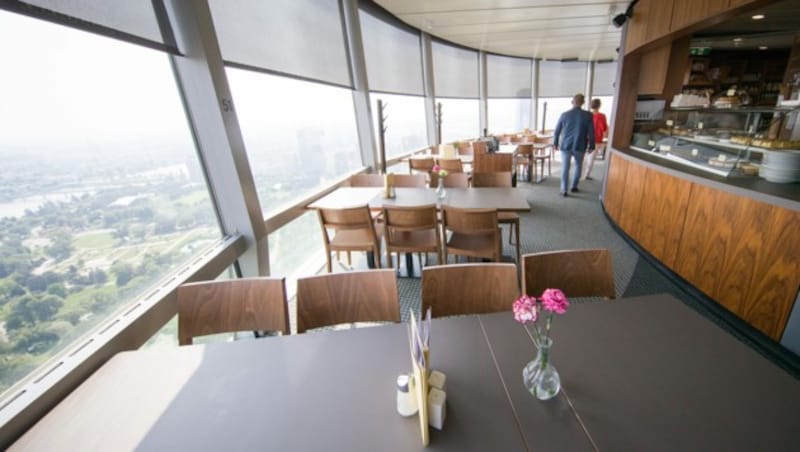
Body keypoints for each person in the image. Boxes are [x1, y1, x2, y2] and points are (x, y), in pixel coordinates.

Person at [553, 93, 594, 197]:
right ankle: (574, 186)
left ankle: (564, 190)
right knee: (578, 166)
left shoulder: (564, 115)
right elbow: (591, 132)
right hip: (580, 144)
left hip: (566, 145)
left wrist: (555, 143)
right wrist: (592, 145)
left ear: (572, 102)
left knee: (565, 167)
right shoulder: (588, 115)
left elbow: (557, 131)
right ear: (583, 103)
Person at [583, 98, 608, 180]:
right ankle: (587, 174)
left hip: (584, 138)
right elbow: (604, 129)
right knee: (591, 158)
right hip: (596, 139)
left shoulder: (586, 115)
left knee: (582, 156)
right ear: (599, 106)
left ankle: (578, 173)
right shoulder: (602, 116)